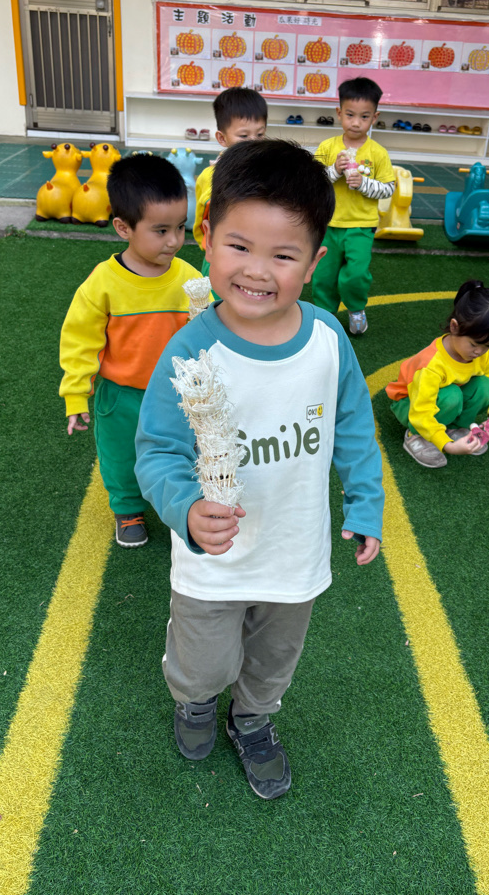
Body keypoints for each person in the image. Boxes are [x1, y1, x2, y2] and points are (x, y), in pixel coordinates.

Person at [135, 139, 383, 800]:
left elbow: (353, 427)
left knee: (274, 660)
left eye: (283, 255)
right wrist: (186, 509)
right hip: (212, 558)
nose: (257, 271)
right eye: (239, 246)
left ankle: (252, 718)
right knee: (203, 661)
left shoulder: (327, 341)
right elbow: (157, 450)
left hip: (293, 551)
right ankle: (194, 700)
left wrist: (365, 502)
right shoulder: (190, 351)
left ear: (315, 261)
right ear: (207, 238)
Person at [59, 154, 203, 548]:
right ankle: (127, 509)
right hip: (121, 396)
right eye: (161, 230)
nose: (174, 240)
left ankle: (182, 504)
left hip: (176, 393)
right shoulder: (102, 284)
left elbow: (208, 332)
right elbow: (80, 341)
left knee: (180, 451)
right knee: (121, 456)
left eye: (180, 227)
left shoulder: (190, 278)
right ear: (123, 227)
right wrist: (76, 394)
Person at [386, 280, 489, 469]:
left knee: (485, 386)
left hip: (445, 397)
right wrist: (447, 446)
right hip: (411, 404)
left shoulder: (482, 354)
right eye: (474, 344)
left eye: (487, 346)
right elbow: (421, 411)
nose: (479, 352)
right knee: (452, 396)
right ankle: (415, 436)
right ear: (454, 327)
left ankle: (454, 428)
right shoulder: (431, 365)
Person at [311, 76, 396, 335]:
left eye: (364, 116)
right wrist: (334, 171)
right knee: (323, 275)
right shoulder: (328, 147)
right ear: (339, 113)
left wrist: (364, 183)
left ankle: (356, 308)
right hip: (327, 224)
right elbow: (312, 180)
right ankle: (325, 316)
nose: (356, 123)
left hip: (361, 226)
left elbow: (388, 188)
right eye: (350, 115)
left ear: (375, 117)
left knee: (356, 274)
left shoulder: (378, 153)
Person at [193, 87, 268, 276]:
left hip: (257, 253)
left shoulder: (269, 172)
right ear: (222, 138)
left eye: (260, 135)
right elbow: (203, 216)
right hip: (221, 253)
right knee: (214, 292)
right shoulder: (211, 176)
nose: (253, 142)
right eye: (243, 136)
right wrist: (207, 245)